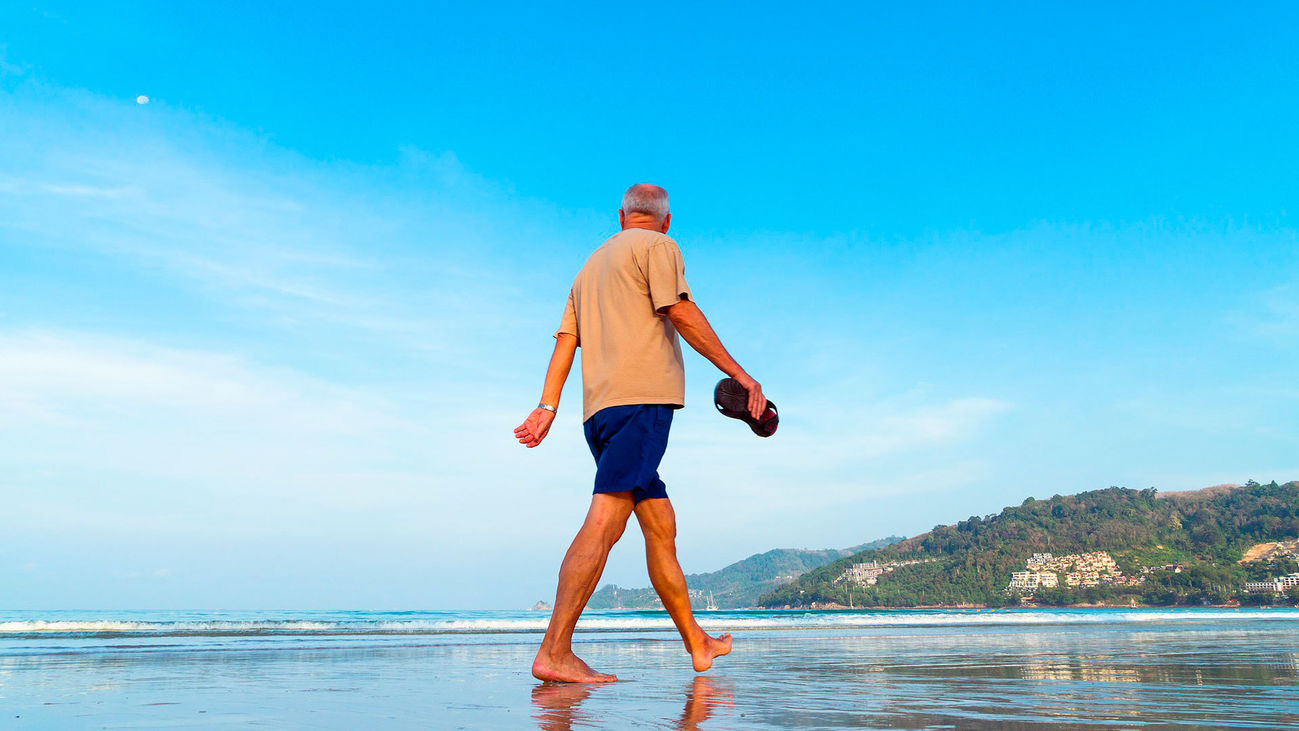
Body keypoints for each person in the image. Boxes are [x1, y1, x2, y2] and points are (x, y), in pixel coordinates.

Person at [514, 183, 767, 683]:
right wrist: (743, 376)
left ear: (621, 216)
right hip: (641, 403)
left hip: (599, 414)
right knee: (606, 521)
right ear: (665, 221)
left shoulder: (587, 269)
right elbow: (679, 310)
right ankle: (554, 651)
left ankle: (697, 642)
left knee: (659, 525)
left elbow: (566, 344)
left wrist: (547, 406)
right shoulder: (660, 248)